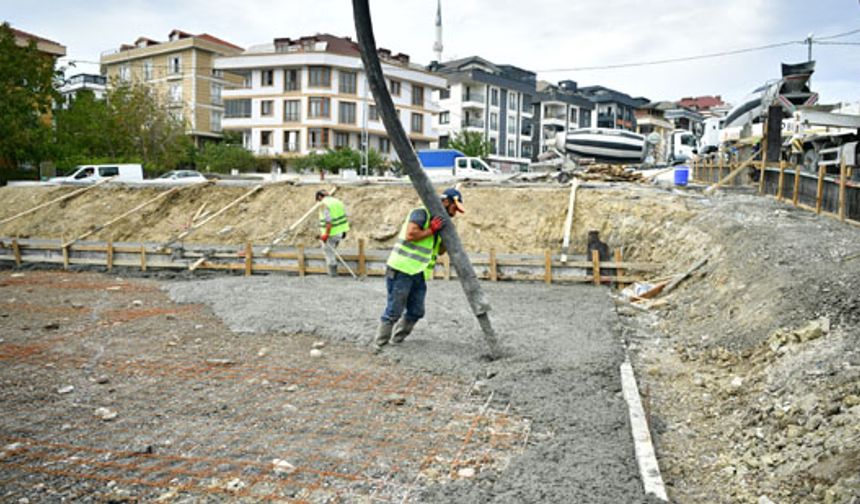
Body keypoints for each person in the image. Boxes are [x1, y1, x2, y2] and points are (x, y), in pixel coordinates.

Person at [373, 188, 465, 352]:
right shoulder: (421, 213)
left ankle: (397, 340)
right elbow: (411, 235)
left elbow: (440, 251)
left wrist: (446, 236)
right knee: (394, 310)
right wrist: (432, 230)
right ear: (446, 202)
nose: (455, 213)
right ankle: (380, 344)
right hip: (401, 269)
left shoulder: (440, 224)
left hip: (419, 272)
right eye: (454, 208)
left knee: (416, 311)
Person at [316, 190, 350, 277]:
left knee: (328, 251)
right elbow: (344, 216)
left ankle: (333, 273)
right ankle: (333, 271)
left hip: (331, 233)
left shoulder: (324, 204)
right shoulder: (337, 202)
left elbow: (328, 222)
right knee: (332, 249)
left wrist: (326, 235)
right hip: (340, 231)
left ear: (320, 197)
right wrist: (343, 231)